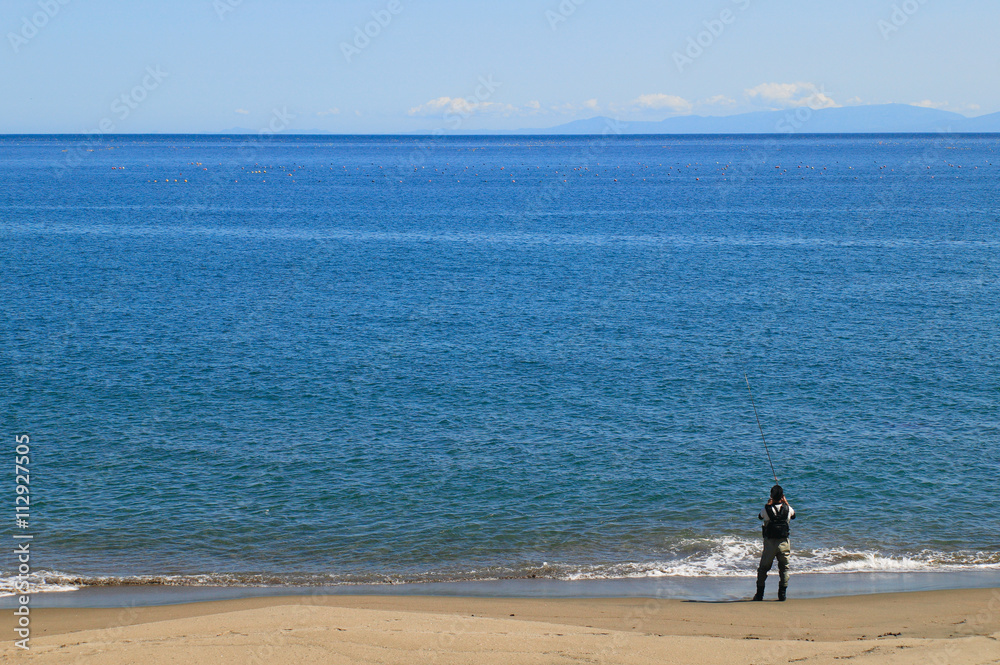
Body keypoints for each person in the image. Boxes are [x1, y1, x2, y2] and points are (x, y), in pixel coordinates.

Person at [753, 484, 795, 601]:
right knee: (784, 569)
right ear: (782, 496)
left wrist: (768, 504)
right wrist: (786, 503)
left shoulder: (766, 509)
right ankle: (782, 594)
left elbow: (760, 517)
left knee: (763, 569)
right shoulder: (788, 509)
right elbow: (794, 516)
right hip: (784, 543)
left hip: (770, 544)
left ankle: (759, 594)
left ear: (771, 496)